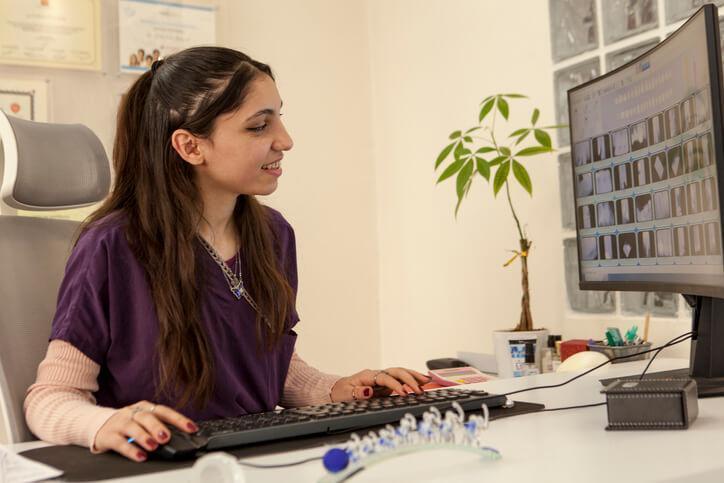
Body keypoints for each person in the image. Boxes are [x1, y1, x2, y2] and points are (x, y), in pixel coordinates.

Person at [24, 46, 429, 463]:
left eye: (279, 117)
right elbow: (51, 399)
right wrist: (105, 425)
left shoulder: (273, 235)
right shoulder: (112, 245)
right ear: (190, 147)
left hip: (254, 460)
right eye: (259, 126)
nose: (285, 141)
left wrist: (338, 390)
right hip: (160, 467)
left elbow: (266, 365)